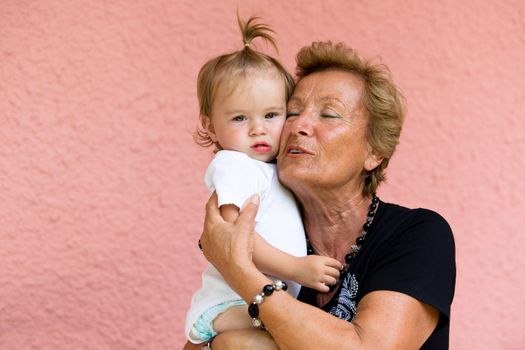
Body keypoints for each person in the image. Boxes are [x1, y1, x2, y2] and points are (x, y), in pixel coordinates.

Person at [188, 40, 456, 349]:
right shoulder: (273, 229)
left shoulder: (417, 235)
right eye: (291, 112)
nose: (299, 125)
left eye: (328, 115)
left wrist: (239, 270)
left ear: (375, 151)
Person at [184, 17, 342, 346]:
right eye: (240, 117)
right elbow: (234, 240)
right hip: (232, 305)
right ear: (210, 126)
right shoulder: (234, 165)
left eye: (271, 115)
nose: (258, 128)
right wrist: (296, 268)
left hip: (257, 299)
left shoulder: (272, 169)